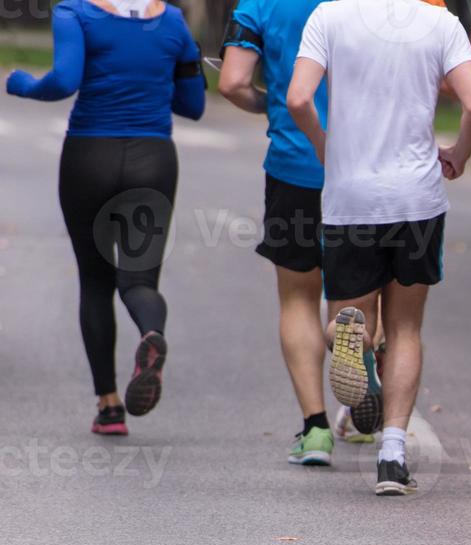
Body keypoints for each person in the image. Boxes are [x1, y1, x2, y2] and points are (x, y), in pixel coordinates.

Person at [287, 0, 471, 495]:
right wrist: (459, 155)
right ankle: (393, 453)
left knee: (349, 320)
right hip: (416, 200)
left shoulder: (328, 17)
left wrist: (323, 143)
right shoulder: (440, 22)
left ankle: (352, 345)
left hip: (351, 198)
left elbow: (297, 98)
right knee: (406, 328)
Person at [7, 0, 204, 435]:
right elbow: (193, 106)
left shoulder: (73, 13)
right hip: (153, 158)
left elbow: (63, 80)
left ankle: (109, 406)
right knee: (139, 281)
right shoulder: (172, 21)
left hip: (89, 156)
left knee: (95, 281)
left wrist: (21, 83)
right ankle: (151, 335)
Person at [218, 0, 347, 466]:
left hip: (294, 166)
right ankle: (362, 353)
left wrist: (269, 103)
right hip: (365, 167)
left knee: (298, 297)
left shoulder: (260, 4)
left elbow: (231, 82)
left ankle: (316, 430)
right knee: (359, 293)